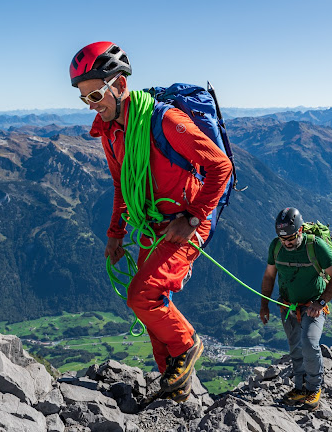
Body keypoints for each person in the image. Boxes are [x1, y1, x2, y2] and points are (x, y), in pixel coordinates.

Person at [69, 41, 232, 402]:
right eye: (85, 99)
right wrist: (115, 233)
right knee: (149, 305)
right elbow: (121, 184)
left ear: (121, 85)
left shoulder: (166, 121)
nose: (92, 106)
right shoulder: (111, 132)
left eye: (96, 95)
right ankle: (174, 388)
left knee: (143, 295)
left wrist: (191, 217)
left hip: (186, 221)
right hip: (153, 223)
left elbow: (220, 167)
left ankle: (188, 344)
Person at [259, 207, 332, 410]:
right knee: (295, 347)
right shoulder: (275, 247)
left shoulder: (315, 246)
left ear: (299, 231)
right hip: (288, 305)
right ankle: (300, 388)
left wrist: (321, 302)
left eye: (290, 237)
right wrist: (264, 304)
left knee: (309, 343)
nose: (286, 243)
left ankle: (314, 388)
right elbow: (269, 276)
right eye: (282, 239)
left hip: (313, 305)